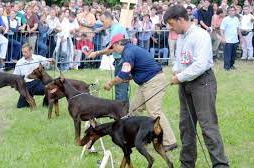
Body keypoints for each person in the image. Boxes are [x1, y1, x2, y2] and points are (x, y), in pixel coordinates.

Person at [164, 5, 229, 168]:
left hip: (202, 82)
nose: (170, 28)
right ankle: (187, 164)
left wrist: (179, 76)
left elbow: (200, 64)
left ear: (180, 20)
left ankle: (220, 164)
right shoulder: (180, 37)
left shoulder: (200, 35)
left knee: (208, 125)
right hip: (185, 84)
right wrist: (176, 70)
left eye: (171, 24)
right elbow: (180, 60)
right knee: (186, 126)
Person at [103, 34, 177, 152]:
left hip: (154, 81)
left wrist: (110, 83)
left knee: (154, 111)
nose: (113, 50)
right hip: (146, 82)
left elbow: (122, 75)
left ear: (118, 44)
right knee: (134, 109)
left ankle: (170, 142)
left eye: (113, 47)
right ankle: (143, 137)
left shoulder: (128, 52)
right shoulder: (130, 50)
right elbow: (136, 71)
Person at [87, 11, 129, 104]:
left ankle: (121, 114)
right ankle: (125, 113)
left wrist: (96, 53)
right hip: (122, 59)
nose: (102, 24)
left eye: (103, 21)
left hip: (122, 60)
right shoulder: (114, 28)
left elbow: (110, 48)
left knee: (120, 87)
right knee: (122, 87)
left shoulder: (116, 30)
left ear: (109, 19)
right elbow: (113, 48)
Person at [13, 43, 53, 108]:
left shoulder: (38, 58)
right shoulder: (19, 62)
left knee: (49, 88)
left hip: (38, 83)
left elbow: (48, 62)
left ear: (31, 51)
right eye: (22, 52)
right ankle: (30, 99)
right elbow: (15, 77)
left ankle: (46, 104)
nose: (23, 54)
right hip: (27, 85)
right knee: (20, 106)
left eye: (25, 52)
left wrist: (51, 61)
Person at [220, 6, 244, 71]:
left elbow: (238, 29)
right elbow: (222, 29)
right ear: (228, 12)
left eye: (233, 10)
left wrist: (241, 38)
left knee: (233, 55)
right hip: (227, 41)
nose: (232, 12)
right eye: (230, 10)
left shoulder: (236, 19)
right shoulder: (225, 19)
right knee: (227, 55)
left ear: (235, 11)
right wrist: (223, 38)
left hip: (235, 40)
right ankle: (226, 67)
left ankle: (231, 65)